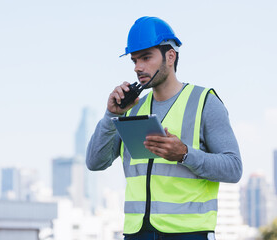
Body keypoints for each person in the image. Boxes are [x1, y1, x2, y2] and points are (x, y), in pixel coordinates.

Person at [86, 16, 242, 240]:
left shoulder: (204, 102)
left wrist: (185, 154)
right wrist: (111, 115)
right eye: (134, 60)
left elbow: (233, 168)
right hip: (137, 234)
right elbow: (95, 162)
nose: (138, 67)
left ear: (170, 56)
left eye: (146, 57)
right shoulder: (131, 108)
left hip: (189, 234)